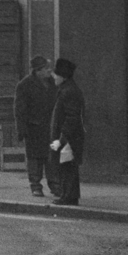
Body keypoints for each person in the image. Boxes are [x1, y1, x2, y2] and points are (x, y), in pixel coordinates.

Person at [13, 55, 57, 198]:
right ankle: (36, 186)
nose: (49, 71)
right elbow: (20, 110)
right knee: (35, 159)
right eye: (46, 68)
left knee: (51, 158)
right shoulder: (25, 85)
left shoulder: (53, 83)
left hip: (50, 127)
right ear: (38, 71)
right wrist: (22, 130)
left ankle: (55, 185)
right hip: (34, 128)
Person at [48, 57, 85, 206]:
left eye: (56, 75)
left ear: (62, 77)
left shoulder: (68, 92)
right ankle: (68, 195)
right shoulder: (68, 89)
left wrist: (62, 138)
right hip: (69, 136)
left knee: (67, 166)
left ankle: (68, 196)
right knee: (66, 165)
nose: (54, 78)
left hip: (68, 137)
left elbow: (71, 117)